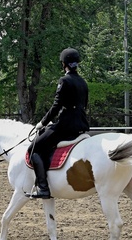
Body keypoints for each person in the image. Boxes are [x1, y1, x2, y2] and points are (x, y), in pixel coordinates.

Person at [26, 48, 90, 199]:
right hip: (81, 124)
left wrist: (42, 123)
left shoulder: (64, 81)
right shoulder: (83, 82)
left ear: (64, 64)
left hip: (66, 125)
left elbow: (57, 106)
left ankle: (43, 188)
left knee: (33, 147)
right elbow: (85, 104)